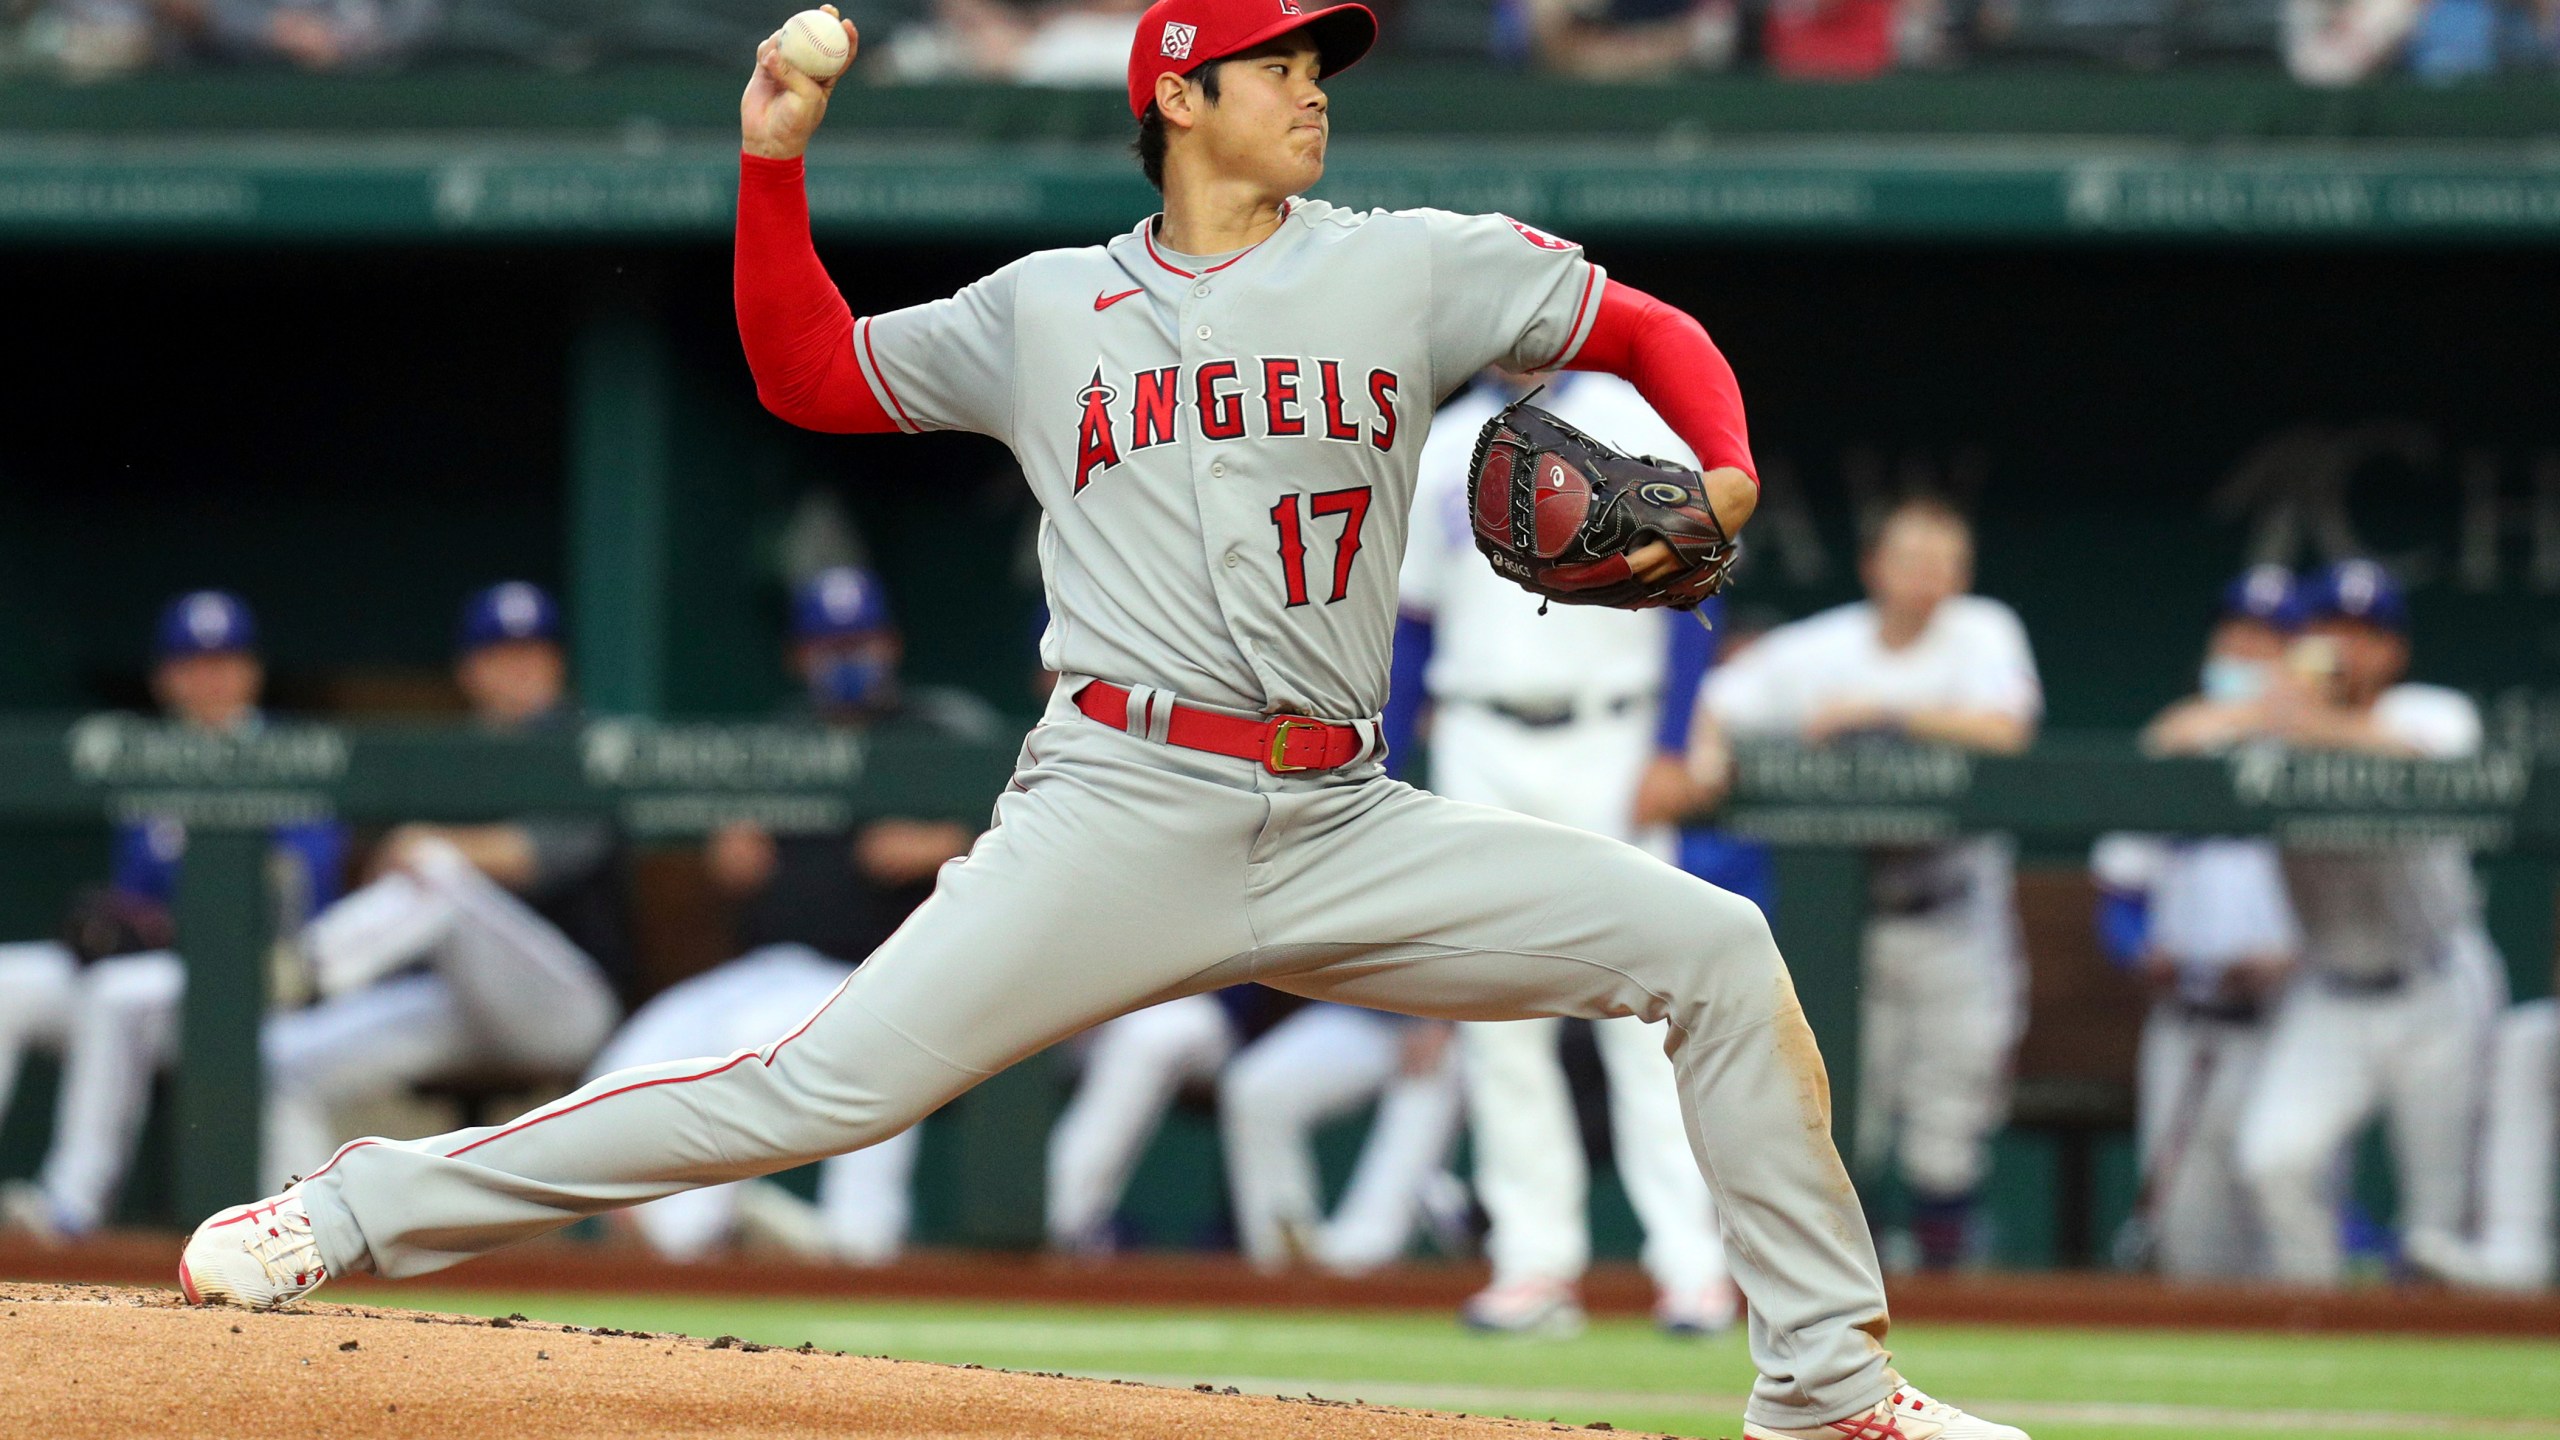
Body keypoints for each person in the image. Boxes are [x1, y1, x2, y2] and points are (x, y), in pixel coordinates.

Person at [179, 6, 2027, 1434]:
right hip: (1117, 800)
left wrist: (1719, 473)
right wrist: (770, 164)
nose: (1314, 90)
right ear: (1177, 98)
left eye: (1319, 62)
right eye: (1276, 64)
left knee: (1714, 945)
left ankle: (1827, 1385)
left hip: (1348, 816)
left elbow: (1646, 327)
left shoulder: (1409, 259)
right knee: (808, 1090)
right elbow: (807, 372)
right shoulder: (1043, 309)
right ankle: (344, 1215)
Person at [1393, 367, 1736, 1339]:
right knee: (1501, 1013)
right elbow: (1414, 622)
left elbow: (1689, 579)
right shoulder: (1443, 440)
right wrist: (1390, 744)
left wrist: (1672, 741)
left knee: (1645, 1009)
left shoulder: (1633, 420)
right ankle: (1533, 1265)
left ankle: (1692, 1268)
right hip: (1477, 736)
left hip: (1610, 739)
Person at [590, 565, 999, 1265]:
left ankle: (711, 1244)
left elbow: (1032, 819)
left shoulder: (939, 731)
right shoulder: (780, 740)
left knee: (751, 1045)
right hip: (767, 967)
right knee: (628, 1057)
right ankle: (681, 1240)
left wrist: (952, 840)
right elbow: (717, 847)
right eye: (828, 646)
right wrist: (726, 853)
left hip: (875, 973)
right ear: (799, 656)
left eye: (859, 642)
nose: (845, 660)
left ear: (891, 646)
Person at [1679, 497, 2040, 1271]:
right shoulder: (1819, 647)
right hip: (1850, 920)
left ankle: (1949, 1292)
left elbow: (2007, 731)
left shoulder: (1983, 631)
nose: (1931, 577)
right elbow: (1710, 707)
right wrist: (1710, 756)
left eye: (1947, 560)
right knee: (1849, 1120)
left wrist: (1882, 712)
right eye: (1912, 558)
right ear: (1875, 566)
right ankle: (1856, 1298)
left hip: (1953, 912)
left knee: (1952, 1121)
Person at [259, 582, 630, 1187]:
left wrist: (430, 847)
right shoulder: (454, 757)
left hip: (567, 1001)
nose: (519, 669)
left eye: (532, 652)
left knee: (435, 868)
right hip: (463, 998)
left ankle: (302, 966)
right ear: (470, 670)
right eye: (501, 654)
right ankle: (308, 1232)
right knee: (278, 1062)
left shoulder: (580, 746)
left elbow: (546, 855)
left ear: (556, 663)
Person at [0, 592, 345, 1240]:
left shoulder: (293, 758)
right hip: (163, 983)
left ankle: (68, 1207)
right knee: (8, 981)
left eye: (224, 661)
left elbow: (299, 899)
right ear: (165, 677)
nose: (209, 679)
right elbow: (138, 904)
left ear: (252, 672)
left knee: (116, 994)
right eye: (193, 663)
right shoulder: (149, 765)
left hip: (259, 986)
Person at [2230, 560, 2507, 1286]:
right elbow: (2171, 753)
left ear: (2395, 651)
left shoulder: (2433, 710)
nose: (2347, 647)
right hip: (2331, 995)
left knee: (2439, 1226)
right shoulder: (2267, 725)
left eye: (2366, 632)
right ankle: (2318, 1316)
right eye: (2330, 629)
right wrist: (2264, 709)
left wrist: (2302, 719)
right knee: (2274, 1159)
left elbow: (2418, 759)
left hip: (2438, 985)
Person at [2086, 566, 2308, 1279]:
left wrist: (2294, 958)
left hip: (2292, 1017)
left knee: (2284, 1210)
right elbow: (2119, 894)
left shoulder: (2321, 752)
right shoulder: (2177, 744)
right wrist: (2142, 954)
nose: (2246, 652)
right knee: (2186, 1230)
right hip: (2186, 1017)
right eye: (2236, 633)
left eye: (2269, 640)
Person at [1218, 1003, 1467, 1273]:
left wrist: (1444, 1020)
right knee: (1256, 1090)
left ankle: (1360, 1256)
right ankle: (1284, 1259)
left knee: (1432, 1075)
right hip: (1366, 1011)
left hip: (1470, 1024)